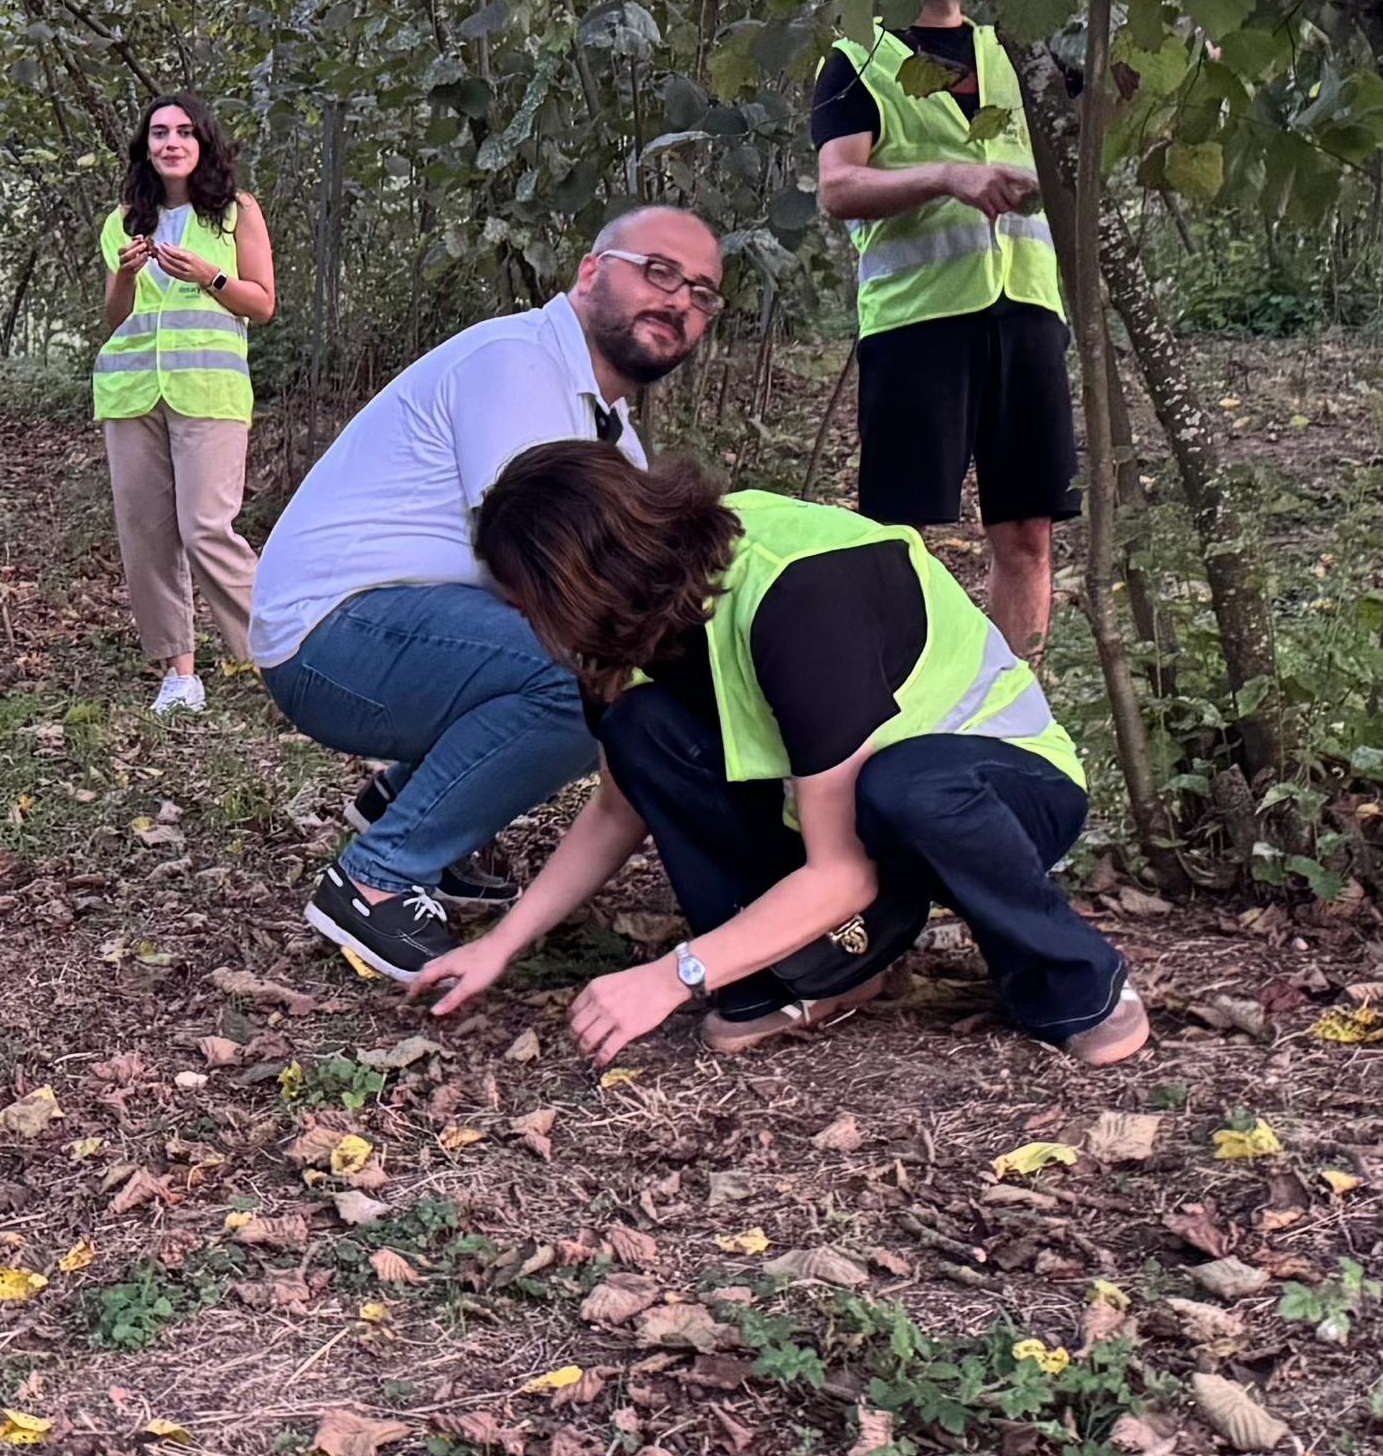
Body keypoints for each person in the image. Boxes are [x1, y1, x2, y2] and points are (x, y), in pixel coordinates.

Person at [415, 442, 1146, 1065]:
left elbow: (843, 871)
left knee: (906, 789)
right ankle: (825, 967)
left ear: (578, 585)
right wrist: (500, 945)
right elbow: (615, 810)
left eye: (530, 610)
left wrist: (674, 975)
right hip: (857, 820)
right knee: (641, 729)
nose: (535, 631)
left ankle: (1077, 982)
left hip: (1003, 794)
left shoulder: (798, 596)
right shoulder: (624, 628)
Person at [251, 206, 724, 984]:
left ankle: (405, 805)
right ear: (590, 271)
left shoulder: (607, 426)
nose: (678, 301)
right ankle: (377, 879)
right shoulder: (520, 365)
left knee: (618, 662)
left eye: (701, 294)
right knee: (587, 678)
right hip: (338, 634)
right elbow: (534, 567)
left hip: (397, 633)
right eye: (659, 272)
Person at [812, 0, 1072, 653]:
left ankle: (1013, 716)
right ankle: (896, 705)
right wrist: (946, 177)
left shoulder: (1014, 51)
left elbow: (1093, 129)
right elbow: (838, 187)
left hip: (1025, 312)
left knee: (1027, 533)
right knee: (900, 532)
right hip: (918, 322)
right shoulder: (855, 59)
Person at [94, 95, 275, 717]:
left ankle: (280, 659)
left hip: (209, 391)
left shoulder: (234, 213)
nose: (171, 142)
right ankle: (179, 672)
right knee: (146, 533)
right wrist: (124, 274)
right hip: (130, 392)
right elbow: (117, 318)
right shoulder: (123, 220)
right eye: (159, 132)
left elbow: (262, 304)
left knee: (205, 527)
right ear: (146, 146)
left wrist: (208, 276)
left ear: (203, 144)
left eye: (184, 132)